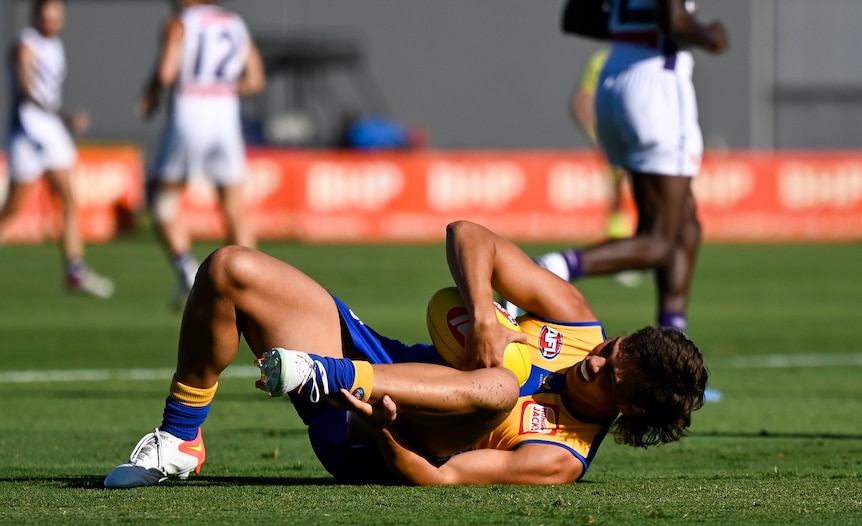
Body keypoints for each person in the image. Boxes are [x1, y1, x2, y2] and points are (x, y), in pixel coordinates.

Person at [104, 220, 708, 488]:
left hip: (380, 436)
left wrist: (387, 433)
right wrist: (482, 318)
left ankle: (329, 376)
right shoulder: (576, 320)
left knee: (500, 388)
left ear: (628, 410)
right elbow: (468, 234)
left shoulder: (561, 458)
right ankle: (181, 436)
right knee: (229, 268)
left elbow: (438, 476)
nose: (593, 361)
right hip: (379, 361)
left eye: (609, 375)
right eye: (611, 348)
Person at [537, 0, 728, 334]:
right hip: (657, 86)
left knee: (685, 225)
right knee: (659, 241)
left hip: (615, 79)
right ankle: (556, 268)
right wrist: (711, 36)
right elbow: (676, 21)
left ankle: (673, 341)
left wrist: (631, 30)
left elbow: (575, 16)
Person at [140, 0, 265, 309]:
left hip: (189, 112)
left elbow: (168, 72)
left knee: (163, 205)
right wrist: (220, 86)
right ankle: (258, 285)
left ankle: (186, 269)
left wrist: (151, 92)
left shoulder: (180, 23)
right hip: (224, 116)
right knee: (234, 209)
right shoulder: (235, 23)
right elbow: (254, 80)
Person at [1, 0, 114, 298]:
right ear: (37, 15)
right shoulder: (27, 43)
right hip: (27, 130)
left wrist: (58, 118)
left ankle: (75, 270)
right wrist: (64, 115)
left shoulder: (56, 46)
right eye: (47, 14)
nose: (52, 20)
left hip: (51, 131)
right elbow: (26, 91)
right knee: (13, 207)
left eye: (57, 15)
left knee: (67, 199)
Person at [572, 48, 632, 242]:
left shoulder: (643, 56)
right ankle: (618, 233)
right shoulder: (600, 61)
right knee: (618, 180)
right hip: (613, 133)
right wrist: (596, 135)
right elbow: (582, 101)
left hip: (637, 132)